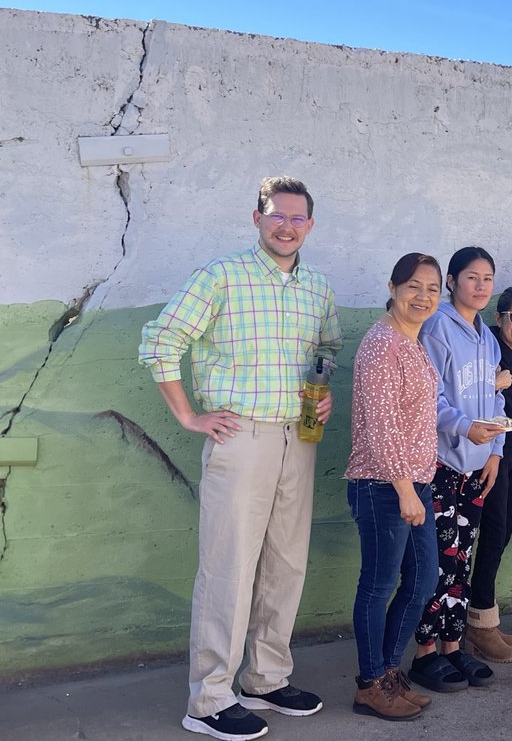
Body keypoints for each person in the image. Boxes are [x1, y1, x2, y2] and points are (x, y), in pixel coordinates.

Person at [139, 176, 342, 741]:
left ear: (310, 225)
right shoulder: (222, 276)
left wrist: (320, 396)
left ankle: (266, 678)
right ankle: (208, 699)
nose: (287, 226)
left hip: (296, 439)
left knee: (286, 564)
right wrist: (188, 416)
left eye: (298, 218)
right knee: (229, 568)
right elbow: (159, 342)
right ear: (257, 218)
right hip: (240, 436)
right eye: (277, 215)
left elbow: (326, 350)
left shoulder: (317, 288)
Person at [347, 252, 443, 721]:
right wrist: (405, 490)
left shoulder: (412, 340)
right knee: (379, 583)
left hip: (414, 482)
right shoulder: (383, 345)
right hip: (385, 484)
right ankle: (370, 683)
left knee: (424, 578)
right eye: (413, 287)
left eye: (432, 288)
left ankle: (386, 672)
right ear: (391, 287)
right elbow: (384, 428)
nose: (423, 296)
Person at [407, 247, 506, 692]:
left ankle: (453, 646)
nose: (481, 286)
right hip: (442, 463)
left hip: (476, 466)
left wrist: (496, 449)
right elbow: (428, 398)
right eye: (472, 277)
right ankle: (424, 654)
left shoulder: (487, 338)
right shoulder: (437, 327)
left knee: (459, 561)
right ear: (452, 281)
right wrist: (466, 428)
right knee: (435, 565)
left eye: (488, 278)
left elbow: (495, 400)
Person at [466, 285, 512, 663]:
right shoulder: (490, 349)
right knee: (492, 534)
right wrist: (491, 383)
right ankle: (477, 624)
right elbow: (465, 394)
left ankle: (480, 617)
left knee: (503, 533)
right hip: (491, 457)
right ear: (499, 318)